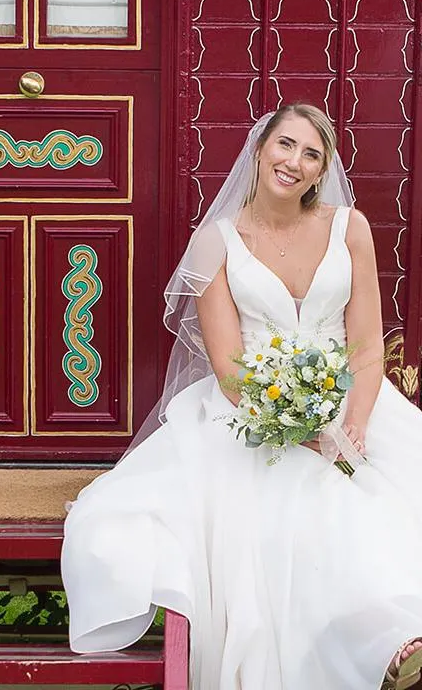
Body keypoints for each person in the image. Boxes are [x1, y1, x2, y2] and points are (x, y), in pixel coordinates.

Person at [62, 104, 422, 690]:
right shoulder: (216, 243)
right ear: (259, 150)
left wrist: (352, 428)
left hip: (354, 401)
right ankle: (380, 647)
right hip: (254, 412)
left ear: (322, 169)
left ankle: (399, 631)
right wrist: (295, 424)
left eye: (312, 154)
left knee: (382, 499)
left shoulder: (349, 228)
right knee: (293, 507)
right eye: (286, 145)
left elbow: (365, 349)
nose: (295, 163)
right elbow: (228, 369)